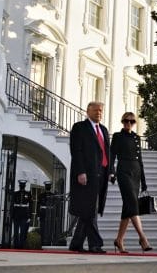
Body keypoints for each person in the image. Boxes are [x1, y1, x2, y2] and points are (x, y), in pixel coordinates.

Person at [68, 101, 110, 253]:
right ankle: (95, 244)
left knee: (89, 209)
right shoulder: (79, 127)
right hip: (87, 174)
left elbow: (106, 152)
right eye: (96, 110)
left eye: (101, 110)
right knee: (90, 209)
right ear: (88, 111)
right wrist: (80, 171)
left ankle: (76, 244)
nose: (99, 113)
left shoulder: (104, 130)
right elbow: (76, 151)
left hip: (102, 174)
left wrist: (110, 171)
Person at [108, 112, 152, 253]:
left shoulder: (136, 138)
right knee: (132, 203)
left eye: (131, 121)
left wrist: (144, 181)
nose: (128, 123)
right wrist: (111, 171)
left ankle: (119, 240)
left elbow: (140, 160)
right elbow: (112, 154)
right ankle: (143, 238)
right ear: (122, 121)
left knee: (128, 207)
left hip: (136, 173)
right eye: (126, 121)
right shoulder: (117, 136)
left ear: (134, 123)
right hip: (124, 171)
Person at [12, 179, 32, 248]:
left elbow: (30, 205)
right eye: (21, 185)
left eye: (23, 185)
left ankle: (21, 245)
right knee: (16, 231)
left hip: (24, 214)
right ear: (19, 186)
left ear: (25, 186)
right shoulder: (15, 193)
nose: (22, 186)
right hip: (16, 213)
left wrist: (29, 216)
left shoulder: (28, 194)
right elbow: (12, 205)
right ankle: (16, 245)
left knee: (23, 231)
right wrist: (12, 215)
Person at [38, 180, 54, 246]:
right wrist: (38, 215)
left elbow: (54, 206)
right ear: (45, 187)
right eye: (47, 186)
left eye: (48, 186)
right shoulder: (41, 195)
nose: (48, 187)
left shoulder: (53, 195)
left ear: (50, 187)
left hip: (50, 213)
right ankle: (42, 242)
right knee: (43, 228)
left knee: (49, 229)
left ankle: (48, 242)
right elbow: (38, 206)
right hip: (43, 213)